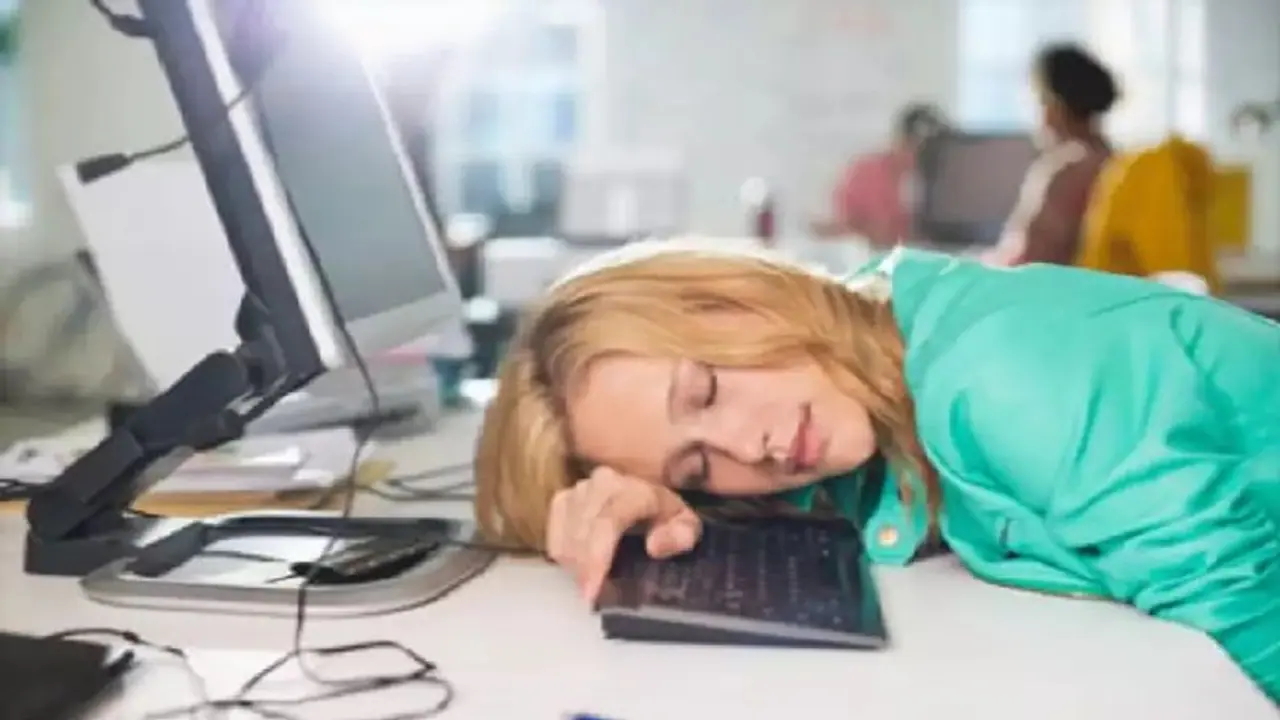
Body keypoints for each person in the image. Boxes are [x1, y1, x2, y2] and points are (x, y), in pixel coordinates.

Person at [474, 238, 1280, 703]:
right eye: (697, 465)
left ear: (736, 299)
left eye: (706, 390)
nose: (749, 448)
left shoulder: (996, 375)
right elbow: (859, 510)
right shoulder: (875, 361)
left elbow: (1251, 633)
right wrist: (666, 508)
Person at [983, 43, 1117, 267]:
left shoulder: (1064, 172)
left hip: (1045, 288)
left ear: (1053, 105)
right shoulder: (1117, 164)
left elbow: (1025, 262)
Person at [811, 103, 946, 248]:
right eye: (913, 146)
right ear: (900, 140)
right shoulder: (863, 173)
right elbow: (834, 227)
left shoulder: (944, 181)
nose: (919, 156)